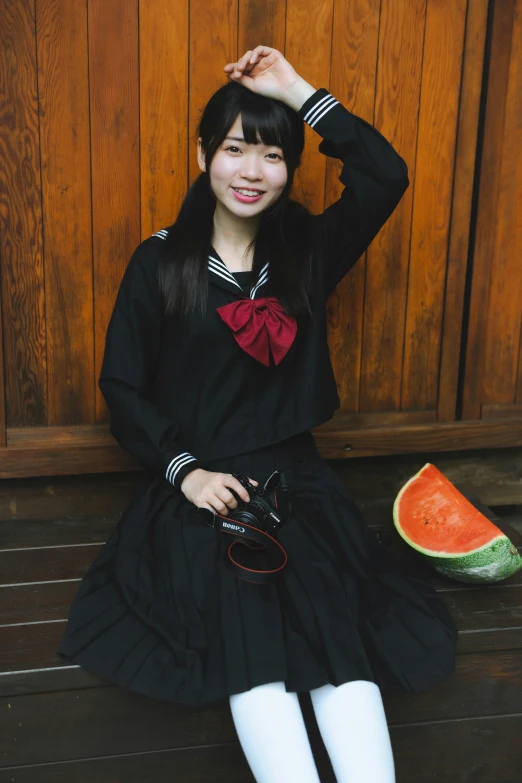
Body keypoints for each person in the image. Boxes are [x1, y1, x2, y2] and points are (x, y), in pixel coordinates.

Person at [58, 45, 458, 782]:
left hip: (299, 485)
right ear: (203, 153)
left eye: (272, 155)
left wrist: (299, 90)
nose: (251, 170)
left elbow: (385, 175)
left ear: (289, 170)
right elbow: (123, 387)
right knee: (256, 652)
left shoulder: (306, 250)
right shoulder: (159, 263)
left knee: (340, 640)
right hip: (204, 494)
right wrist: (186, 475)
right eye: (236, 148)